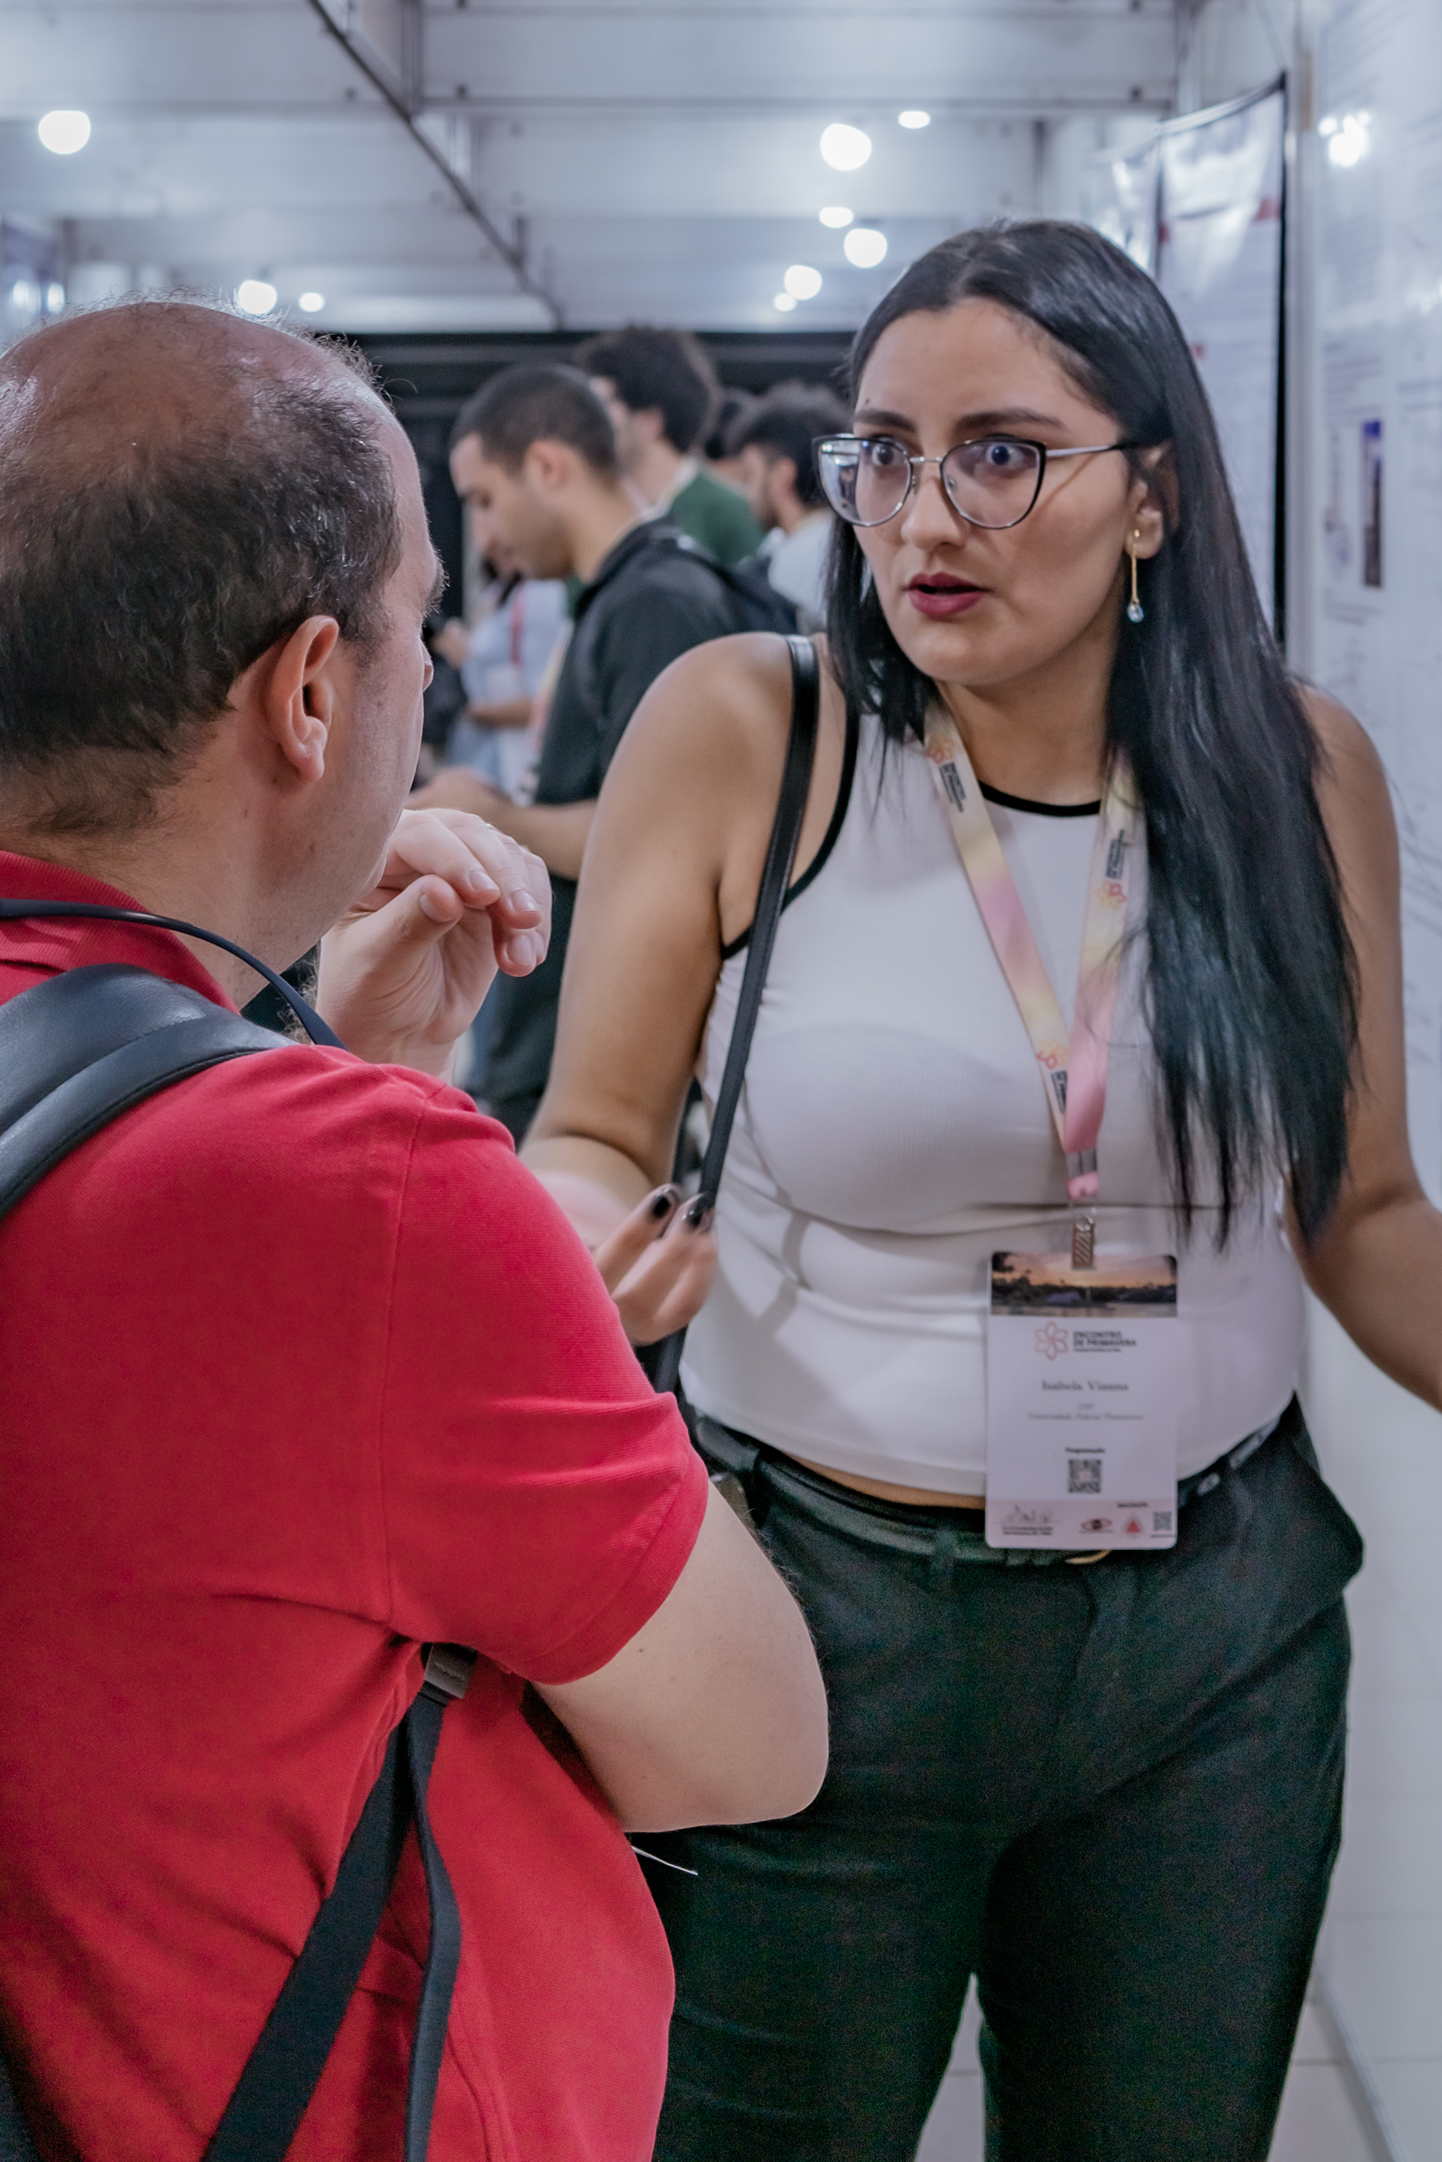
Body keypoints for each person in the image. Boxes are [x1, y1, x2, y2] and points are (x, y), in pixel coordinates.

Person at [530, 220, 1442, 2162]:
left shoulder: (1296, 774)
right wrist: (581, 1244)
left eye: (1001, 452)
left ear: (1151, 493)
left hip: (1207, 1650)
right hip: (808, 1616)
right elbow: (590, 1125)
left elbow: (1363, 1203)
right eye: (884, 453)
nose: (925, 514)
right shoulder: (756, 730)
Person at [0, 300, 825, 2162]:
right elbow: (751, 1738)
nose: (434, 671)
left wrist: (292, 1055)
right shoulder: (365, 1193)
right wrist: (418, 1173)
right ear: (309, 691)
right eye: (415, 626)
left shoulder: (284, 1135)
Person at [417, 362, 766, 1143]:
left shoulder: (658, 604)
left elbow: (669, 845)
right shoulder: (622, 595)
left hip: (600, 1059)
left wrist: (494, 816)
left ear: (547, 467)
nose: (487, 535)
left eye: (486, 500)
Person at [584, 326, 765, 572]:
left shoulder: (728, 512)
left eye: (601, 403)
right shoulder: (596, 507)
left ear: (649, 420)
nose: (587, 419)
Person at [441, 565, 571, 797]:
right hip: (486, 763)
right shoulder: (503, 591)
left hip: (510, 770)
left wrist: (468, 712)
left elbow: (543, 704)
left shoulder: (540, 593)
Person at [732, 380, 838, 616]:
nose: (745, 492)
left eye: (750, 475)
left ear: (782, 476)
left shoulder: (792, 565)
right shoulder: (847, 544)